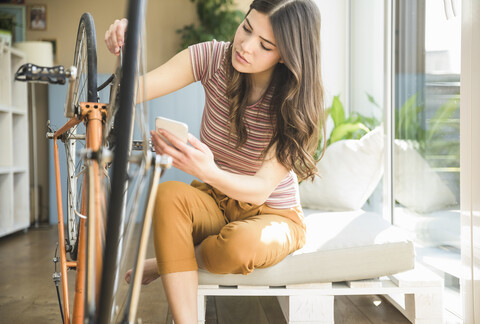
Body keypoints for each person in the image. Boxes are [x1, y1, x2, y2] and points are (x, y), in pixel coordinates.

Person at [105, 0, 324, 322]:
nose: (246, 47)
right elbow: (131, 92)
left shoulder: (297, 104)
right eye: (246, 28)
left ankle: (169, 260)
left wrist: (209, 170)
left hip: (273, 213)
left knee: (238, 247)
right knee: (168, 194)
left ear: (288, 55)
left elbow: (260, 190)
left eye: (265, 45)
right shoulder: (212, 57)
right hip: (214, 201)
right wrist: (126, 50)